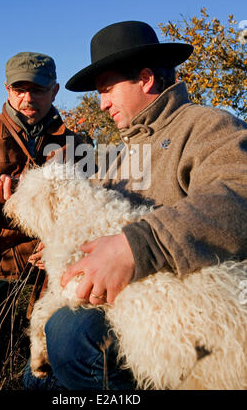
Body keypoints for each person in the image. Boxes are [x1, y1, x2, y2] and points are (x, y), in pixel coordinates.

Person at [23, 21, 247, 390]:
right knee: (35, 381)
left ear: (145, 80)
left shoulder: (206, 126)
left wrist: (136, 245)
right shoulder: (118, 155)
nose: (102, 103)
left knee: (70, 332)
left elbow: (239, 193)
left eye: (107, 89)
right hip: (121, 306)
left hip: (184, 316)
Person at [0, 51, 85, 367]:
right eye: (19, 90)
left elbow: (87, 207)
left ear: (54, 90)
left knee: (55, 357)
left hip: (54, 261)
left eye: (37, 89)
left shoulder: (77, 146)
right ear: (7, 90)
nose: (27, 98)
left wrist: (57, 240)